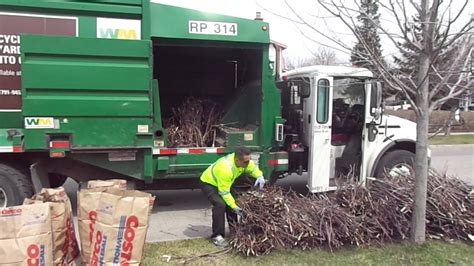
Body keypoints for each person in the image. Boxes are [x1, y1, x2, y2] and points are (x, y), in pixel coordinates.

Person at [200, 146, 265, 247]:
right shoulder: (226, 169)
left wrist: (259, 176)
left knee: (232, 203)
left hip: (224, 183)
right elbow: (224, 193)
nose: (248, 164)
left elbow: (252, 168)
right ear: (237, 160)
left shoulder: (243, 161)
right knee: (220, 205)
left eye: (249, 160)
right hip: (209, 183)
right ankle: (217, 236)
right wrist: (235, 207)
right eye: (245, 162)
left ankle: (235, 231)